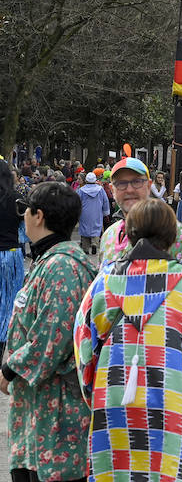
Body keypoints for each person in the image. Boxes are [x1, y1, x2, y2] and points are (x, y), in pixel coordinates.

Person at [76, 200, 182, 478]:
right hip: (172, 403)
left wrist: (93, 393)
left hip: (114, 403)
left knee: (115, 471)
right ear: (173, 237)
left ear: (127, 235)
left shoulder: (102, 285)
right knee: (169, 469)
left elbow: (83, 349)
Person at [2, 182, 98, 482]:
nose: (24, 217)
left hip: (56, 416)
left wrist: (9, 369)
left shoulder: (62, 267)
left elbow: (50, 341)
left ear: (38, 216)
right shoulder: (52, 259)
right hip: (40, 412)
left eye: (25, 210)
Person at [99, 157, 182, 291]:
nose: (129, 189)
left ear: (148, 186)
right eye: (121, 183)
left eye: (137, 182)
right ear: (112, 189)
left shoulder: (174, 231)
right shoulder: (109, 235)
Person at [0, 161, 24, 360]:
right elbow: (27, 232)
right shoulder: (17, 200)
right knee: (8, 305)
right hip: (11, 255)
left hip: (9, 253)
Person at [77, 171, 110, 254]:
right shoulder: (100, 190)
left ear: (86, 181)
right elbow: (105, 201)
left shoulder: (81, 190)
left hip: (84, 213)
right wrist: (106, 212)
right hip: (97, 212)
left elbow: (77, 202)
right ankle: (94, 243)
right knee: (96, 228)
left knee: (85, 229)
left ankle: (85, 248)